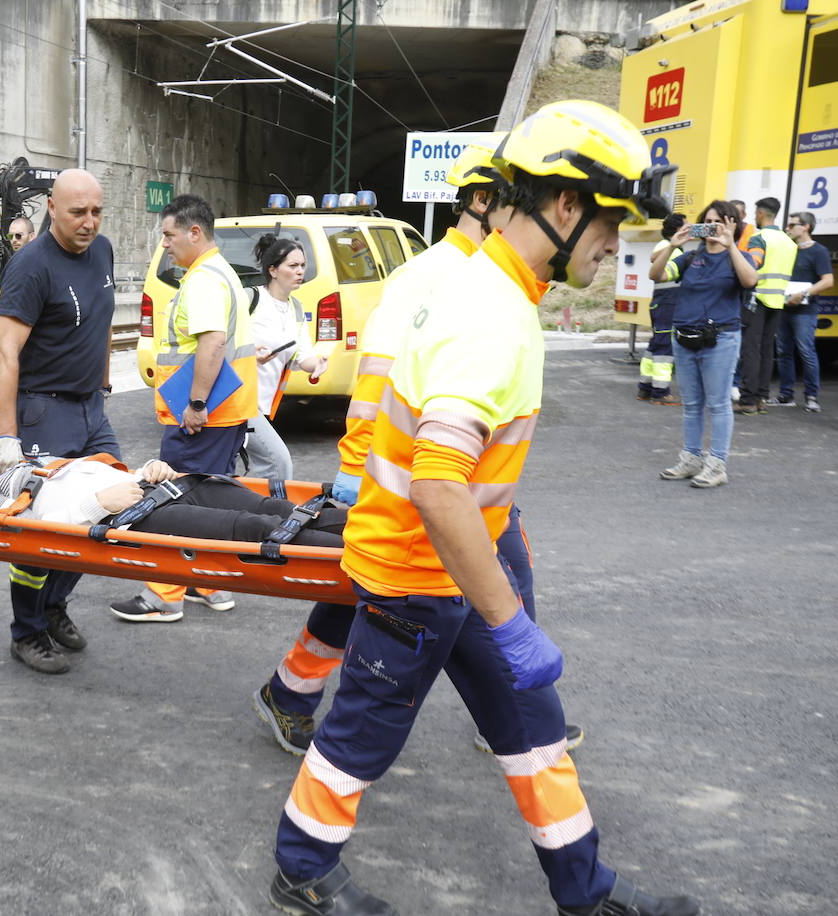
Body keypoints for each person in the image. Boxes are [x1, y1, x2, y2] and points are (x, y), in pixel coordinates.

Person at [268, 100, 699, 916]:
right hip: (415, 577)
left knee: (535, 733)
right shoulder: (491, 318)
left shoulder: (483, 284)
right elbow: (437, 485)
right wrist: (510, 618)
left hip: (457, 567)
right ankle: (301, 869)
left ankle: (585, 891)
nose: (614, 247)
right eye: (611, 225)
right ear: (566, 207)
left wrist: (495, 588)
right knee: (360, 739)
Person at [257, 141, 581, 759]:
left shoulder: (482, 277)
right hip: (429, 487)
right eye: (512, 199)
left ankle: (290, 692)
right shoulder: (436, 279)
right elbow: (375, 382)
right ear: (485, 203)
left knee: (373, 597)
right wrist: (357, 470)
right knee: (499, 599)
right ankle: (522, 725)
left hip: (451, 481)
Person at [0, 168, 119, 674]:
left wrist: (103, 381)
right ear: (51, 207)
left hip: (90, 409)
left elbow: (102, 322)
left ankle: (54, 605)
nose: (89, 223)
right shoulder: (31, 265)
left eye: (96, 212)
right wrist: (6, 436)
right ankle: (27, 631)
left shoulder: (102, 251)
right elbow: (4, 351)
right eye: (77, 212)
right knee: (44, 528)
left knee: (108, 513)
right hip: (45, 410)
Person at [108, 194, 258, 624]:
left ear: (195, 232)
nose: (165, 245)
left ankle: (163, 594)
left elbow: (211, 343)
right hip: (224, 412)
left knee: (170, 499)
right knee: (208, 500)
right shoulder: (218, 272)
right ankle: (207, 584)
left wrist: (194, 404)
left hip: (201, 416)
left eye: (169, 235)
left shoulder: (204, 280)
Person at [0, 452, 347, 547]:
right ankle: (375, 557)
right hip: (131, 514)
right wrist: (100, 506)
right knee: (259, 530)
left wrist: (146, 469)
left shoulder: (17, 472)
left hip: (149, 486)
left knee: (275, 508)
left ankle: (381, 533)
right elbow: (29, 531)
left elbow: (95, 474)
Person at [651, 201, 759, 488]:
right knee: (692, 404)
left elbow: (750, 281)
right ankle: (691, 458)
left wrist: (730, 245)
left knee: (719, 404)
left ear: (732, 225)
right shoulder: (689, 258)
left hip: (721, 339)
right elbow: (657, 275)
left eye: (719, 222)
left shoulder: (740, 257)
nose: (712, 227)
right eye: (707, 221)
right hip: (685, 337)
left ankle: (717, 464)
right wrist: (673, 245)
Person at [243, 234, 327, 480]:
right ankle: (269, 514)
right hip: (236, 400)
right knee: (276, 463)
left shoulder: (296, 308)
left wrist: (317, 365)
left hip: (263, 403)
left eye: (302, 265)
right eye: (292, 266)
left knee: (246, 469)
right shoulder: (250, 299)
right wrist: (251, 353)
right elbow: (221, 343)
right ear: (273, 270)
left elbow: (302, 356)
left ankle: (247, 512)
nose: (300, 271)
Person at [734, 197, 796, 414]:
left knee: (750, 350)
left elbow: (752, 266)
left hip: (756, 299)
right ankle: (761, 397)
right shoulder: (789, 241)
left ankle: (748, 400)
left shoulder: (758, 237)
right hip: (777, 301)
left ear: (760, 213)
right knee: (767, 350)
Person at [772, 211, 832, 412]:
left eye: (792, 225)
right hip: (785, 306)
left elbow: (828, 280)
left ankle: (811, 396)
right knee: (783, 352)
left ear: (806, 227)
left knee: (806, 351)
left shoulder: (819, 251)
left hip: (805, 310)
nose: (788, 228)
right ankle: (785, 395)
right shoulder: (789, 249)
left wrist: (803, 293)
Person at [638, 212, 686, 404]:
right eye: (686, 225)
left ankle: (645, 388)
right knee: (665, 346)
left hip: (662, 300)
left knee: (656, 344)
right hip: (668, 301)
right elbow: (653, 258)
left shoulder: (665, 245)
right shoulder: (668, 246)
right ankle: (660, 392)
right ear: (676, 229)